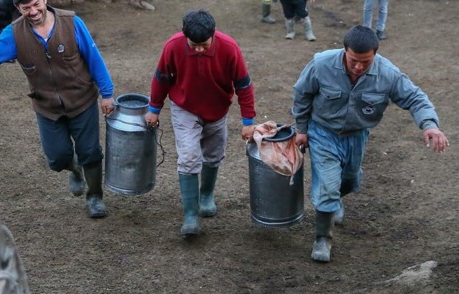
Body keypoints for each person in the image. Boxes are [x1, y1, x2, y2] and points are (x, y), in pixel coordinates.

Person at [0, 0, 115, 218]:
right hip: (47, 107)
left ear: (44, 0)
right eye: (26, 8)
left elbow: (94, 58)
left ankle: (94, 197)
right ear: (18, 8)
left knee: (90, 151)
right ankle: (74, 169)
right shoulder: (14, 35)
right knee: (57, 158)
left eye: (36, 4)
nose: (33, 12)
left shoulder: (72, 23)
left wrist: (107, 93)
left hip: (81, 100)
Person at [292, 25, 449, 262]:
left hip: (357, 135)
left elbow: (415, 97)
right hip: (323, 132)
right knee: (328, 186)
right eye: (354, 60)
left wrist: (429, 125)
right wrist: (301, 129)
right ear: (345, 50)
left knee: (351, 180)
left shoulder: (388, 73)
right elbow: (302, 94)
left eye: (365, 62)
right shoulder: (321, 64)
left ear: (375, 54)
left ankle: (335, 200)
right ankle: (322, 239)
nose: (358, 67)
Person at [145, 9, 256, 237]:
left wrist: (248, 120)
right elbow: (162, 78)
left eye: (203, 44)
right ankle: (191, 215)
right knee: (188, 157)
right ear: (184, 35)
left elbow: (243, 85)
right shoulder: (173, 46)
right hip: (185, 108)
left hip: (217, 110)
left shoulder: (229, 48)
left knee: (213, 155)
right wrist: (154, 108)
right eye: (193, 44)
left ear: (213, 35)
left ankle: (206, 195)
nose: (198, 49)